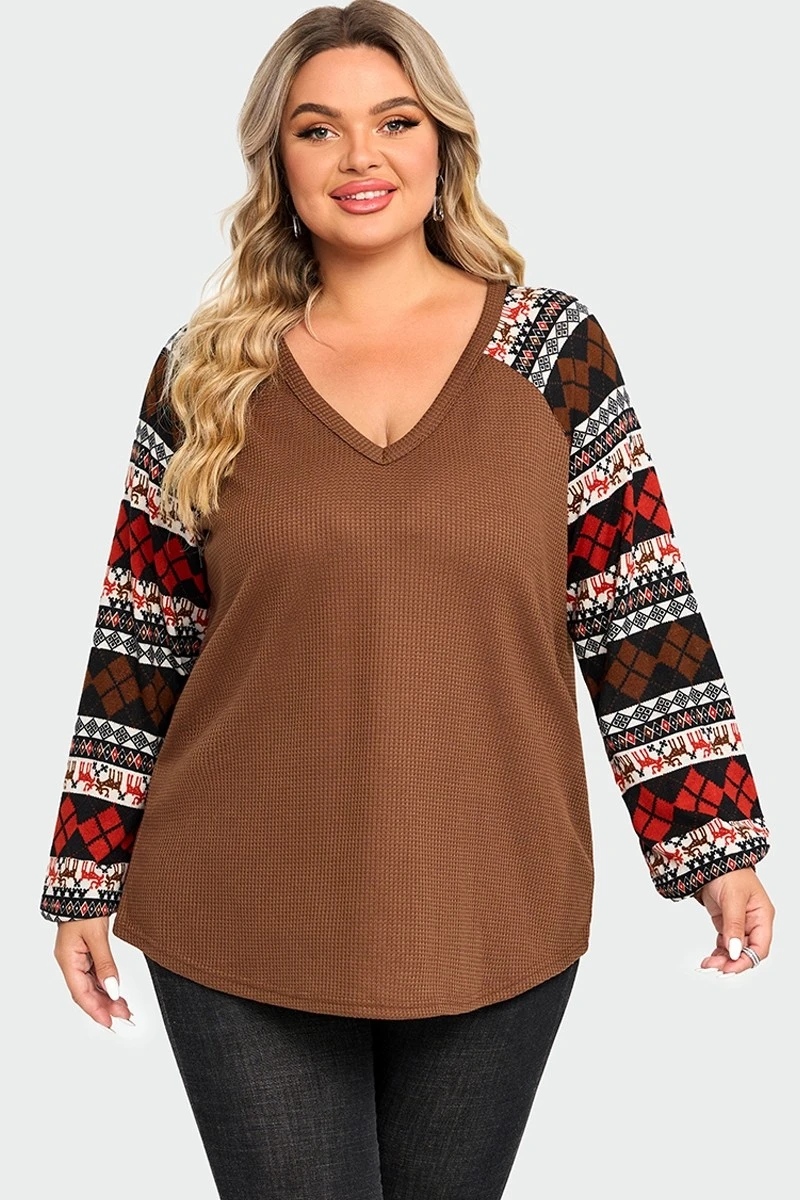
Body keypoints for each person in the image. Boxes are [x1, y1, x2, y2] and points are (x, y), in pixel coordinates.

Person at [39, 2, 775, 1197]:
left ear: (442, 143)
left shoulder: (552, 352)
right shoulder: (205, 372)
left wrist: (712, 845)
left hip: (492, 896)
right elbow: (142, 637)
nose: (359, 157)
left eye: (393, 121)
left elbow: (637, 610)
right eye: (316, 129)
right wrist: (85, 873)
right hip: (240, 894)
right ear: (278, 162)